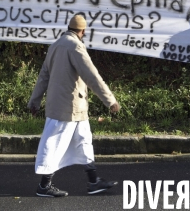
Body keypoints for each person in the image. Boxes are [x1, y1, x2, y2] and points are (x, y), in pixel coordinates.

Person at [28, 15, 121, 197]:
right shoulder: (75, 47)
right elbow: (91, 76)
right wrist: (110, 100)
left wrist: (35, 101)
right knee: (55, 145)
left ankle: (94, 181)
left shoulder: (55, 45)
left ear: (68, 27)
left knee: (84, 142)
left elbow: (43, 76)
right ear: (83, 31)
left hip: (72, 107)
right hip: (68, 108)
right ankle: (44, 186)